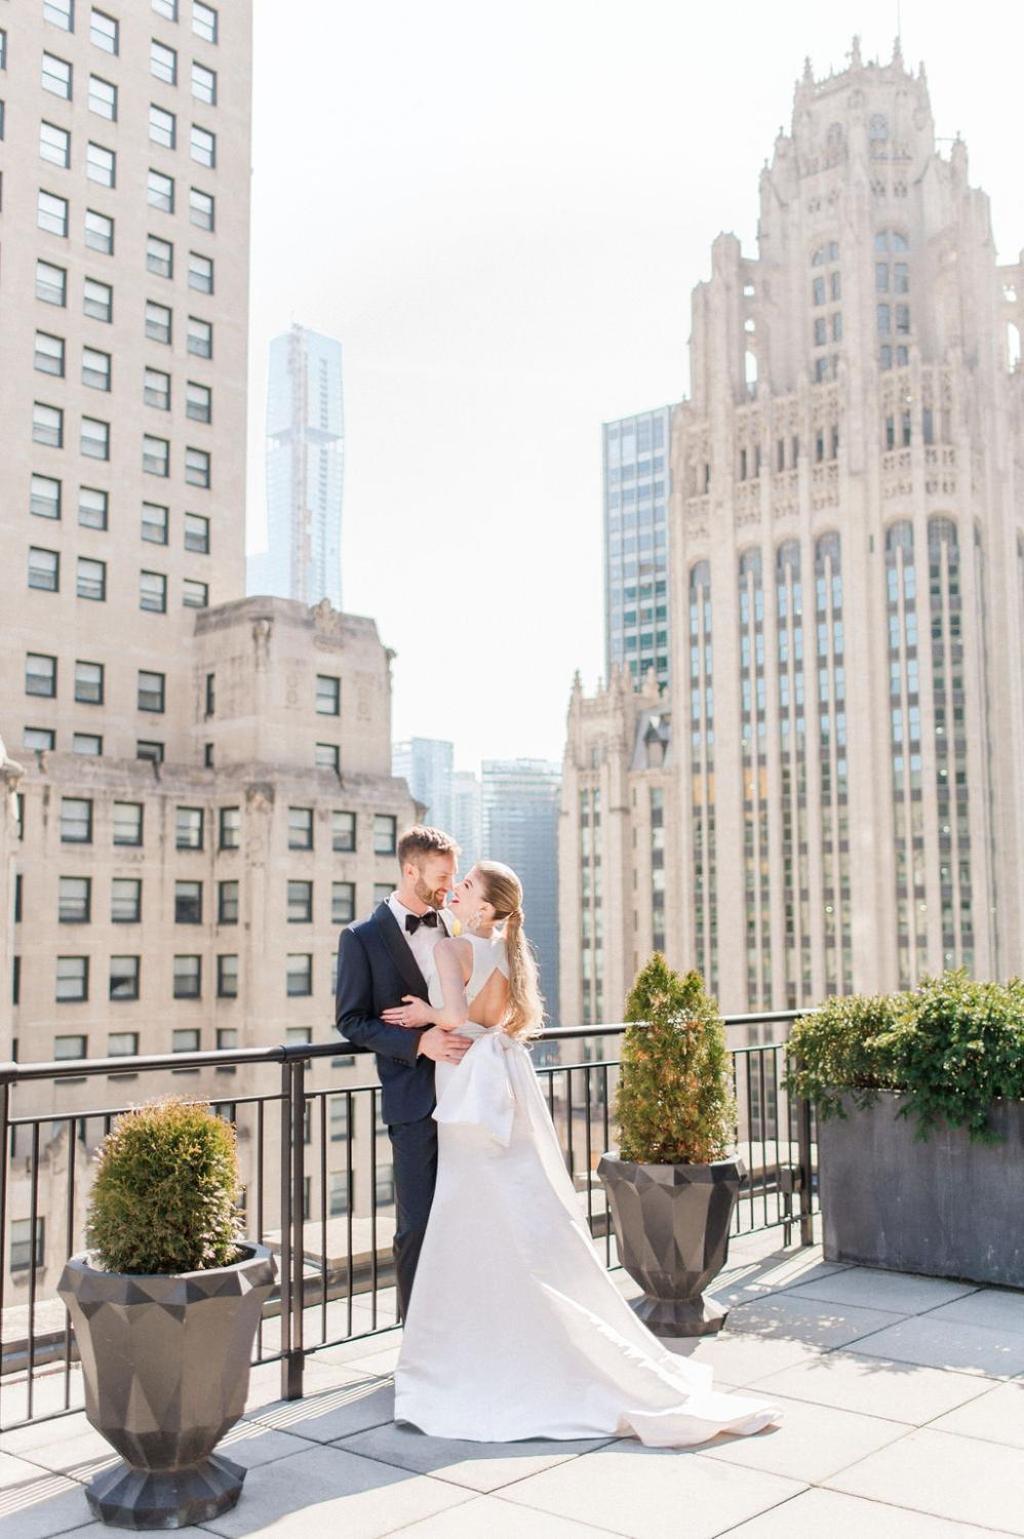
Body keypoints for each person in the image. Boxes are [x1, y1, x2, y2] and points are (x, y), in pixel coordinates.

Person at [385, 859, 781, 1448]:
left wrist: (423, 1015)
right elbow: (499, 1018)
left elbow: (456, 1017)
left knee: (470, 1212)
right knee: (513, 1208)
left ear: (485, 907)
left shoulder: (452, 949)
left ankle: (480, 1343)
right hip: (501, 1077)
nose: (457, 890)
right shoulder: (507, 951)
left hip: (466, 1078)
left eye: (466, 886)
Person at [334, 825, 471, 1323]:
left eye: (453, 875)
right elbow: (351, 1021)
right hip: (412, 1100)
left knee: (467, 1215)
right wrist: (418, 1043)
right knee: (416, 1224)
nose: (449, 885)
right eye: (441, 876)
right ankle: (417, 1333)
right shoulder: (361, 938)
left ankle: (463, 1323)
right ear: (410, 871)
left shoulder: (456, 926)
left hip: (466, 1090)